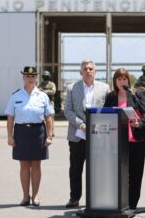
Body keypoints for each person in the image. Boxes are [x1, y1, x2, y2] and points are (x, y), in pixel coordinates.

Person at [63, 59, 110, 208]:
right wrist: (81, 124)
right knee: (76, 168)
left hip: (98, 135)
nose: (88, 71)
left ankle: (97, 198)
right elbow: (68, 110)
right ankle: (74, 198)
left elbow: (109, 110)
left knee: (98, 168)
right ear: (80, 72)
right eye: (85, 69)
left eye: (91, 69)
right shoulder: (71, 88)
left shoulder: (105, 88)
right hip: (78, 134)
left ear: (95, 71)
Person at [5, 66, 54, 207]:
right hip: (21, 131)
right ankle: (25, 196)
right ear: (23, 78)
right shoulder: (16, 96)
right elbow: (10, 118)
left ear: (36, 78)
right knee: (24, 165)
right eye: (27, 76)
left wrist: (49, 136)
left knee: (37, 164)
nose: (30, 78)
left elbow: (49, 118)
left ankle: (36, 196)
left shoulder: (43, 95)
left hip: (38, 131)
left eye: (33, 76)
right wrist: (10, 136)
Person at [104, 68, 145, 210]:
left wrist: (139, 123)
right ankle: (119, 202)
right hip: (117, 141)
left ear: (128, 81)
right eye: (119, 79)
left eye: (124, 79)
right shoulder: (111, 97)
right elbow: (105, 115)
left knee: (136, 174)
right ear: (115, 82)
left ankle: (132, 204)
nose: (122, 81)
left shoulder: (136, 95)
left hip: (136, 140)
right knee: (119, 174)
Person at [38, 70, 57, 136]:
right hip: (42, 102)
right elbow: (38, 91)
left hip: (50, 102)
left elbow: (53, 91)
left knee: (51, 117)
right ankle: (45, 130)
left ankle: (51, 131)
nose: (45, 77)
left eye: (46, 76)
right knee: (43, 118)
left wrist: (44, 91)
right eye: (44, 76)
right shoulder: (41, 84)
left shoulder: (51, 84)